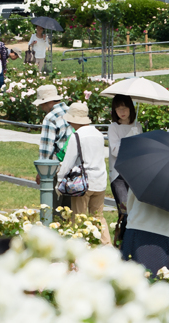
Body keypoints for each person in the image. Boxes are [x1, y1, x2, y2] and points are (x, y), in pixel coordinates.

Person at [58, 102, 110, 244]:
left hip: (82, 183)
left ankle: (79, 251)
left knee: (79, 218)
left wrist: (59, 180)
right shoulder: (98, 134)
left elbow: (68, 162)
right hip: (100, 181)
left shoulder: (77, 136)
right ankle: (108, 247)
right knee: (98, 217)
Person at [121, 191, 169, 275]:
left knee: (128, 279)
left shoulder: (140, 178)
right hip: (164, 239)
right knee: (158, 283)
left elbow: (130, 207)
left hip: (136, 231)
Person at [109, 94, 142, 242]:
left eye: (124, 108)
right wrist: (130, 143)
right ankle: (122, 240)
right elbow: (115, 151)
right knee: (124, 210)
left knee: (135, 210)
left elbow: (140, 150)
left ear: (130, 108)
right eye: (118, 109)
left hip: (134, 174)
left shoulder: (137, 126)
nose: (121, 112)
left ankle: (130, 241)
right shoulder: (114, 127)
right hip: (118, 175)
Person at [35, 84, 70, 161]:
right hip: (76, 163)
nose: (41, 107)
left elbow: (46, 148)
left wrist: (42, 167)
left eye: (41, 104)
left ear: (47, 102)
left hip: (59, 164)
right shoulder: (71, 111)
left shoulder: (50, 118)